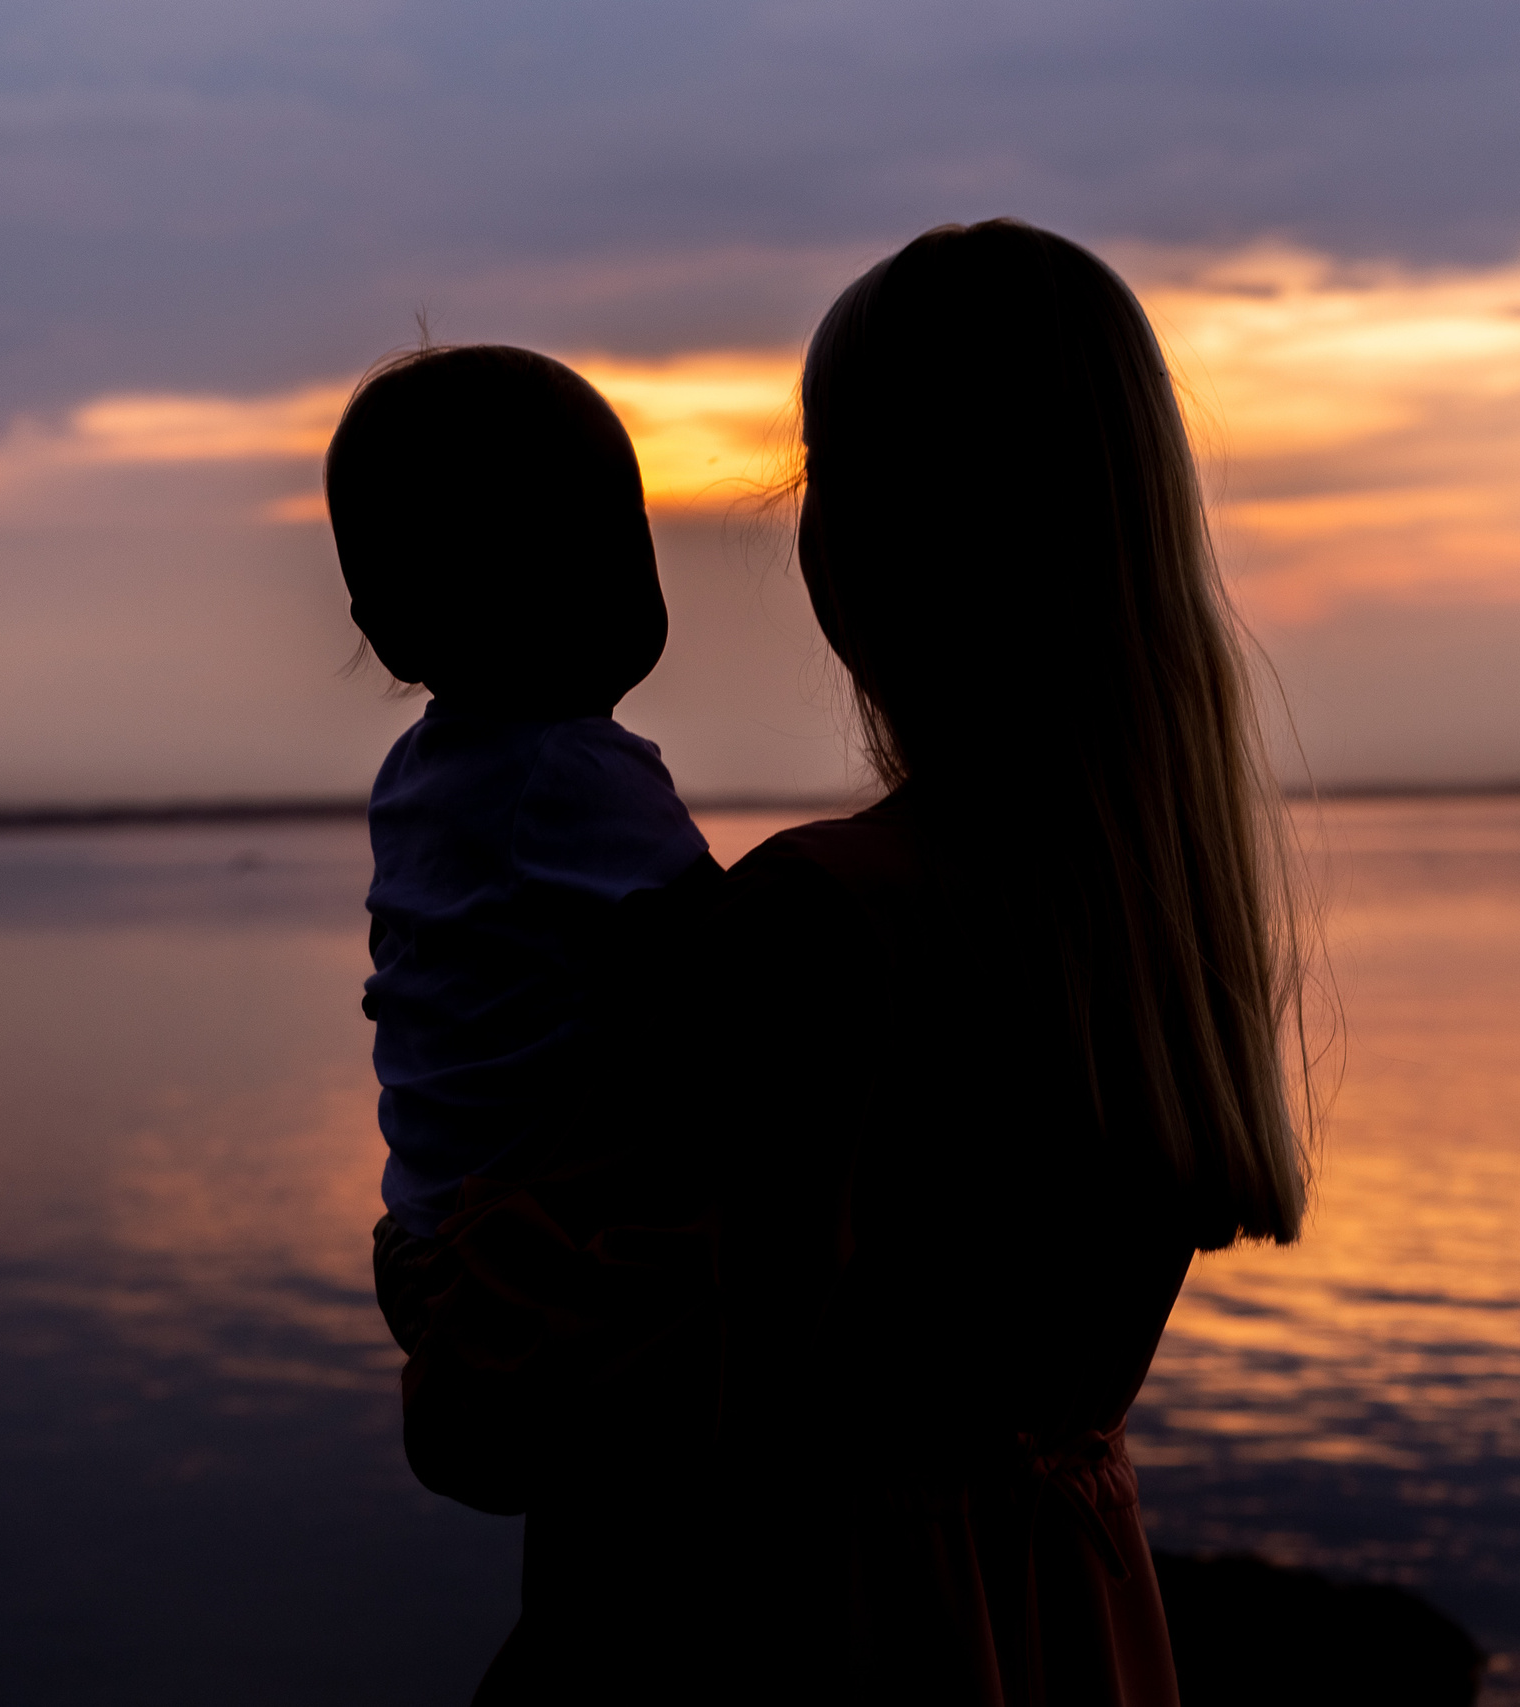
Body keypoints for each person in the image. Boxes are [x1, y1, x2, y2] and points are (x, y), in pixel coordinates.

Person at [378, 221, 1316, 1705]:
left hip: (808, 1634)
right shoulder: (1158, 929)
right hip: (1061, 1623)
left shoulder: (825, 925)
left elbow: (492, 1426)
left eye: (824, 468)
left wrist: (448, 1259)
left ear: (883, 532)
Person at [326, 344, 716, 1243]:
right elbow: (725, 945)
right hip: (554, 1246)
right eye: (591, 546)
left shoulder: (412, 775)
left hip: (435, 1218)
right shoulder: (572, 770)